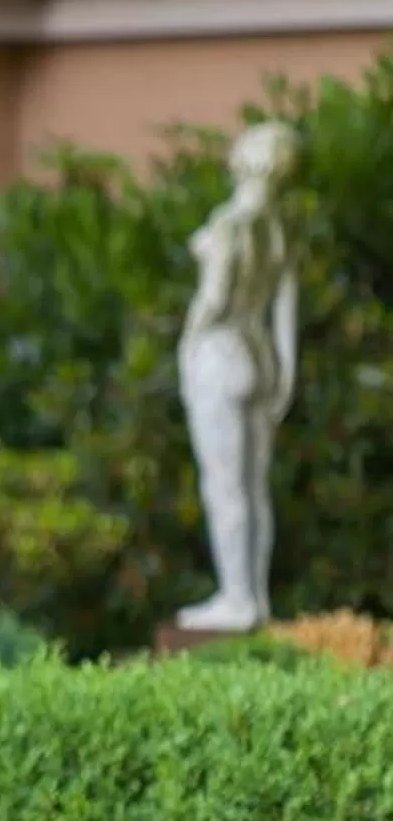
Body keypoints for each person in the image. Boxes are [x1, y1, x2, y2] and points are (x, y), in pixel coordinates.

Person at [175, 120, 301, 634]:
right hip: (261, 354)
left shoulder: (230, 223)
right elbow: (285, 312)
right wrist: (285, 375)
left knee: (225, 485)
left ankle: (237, 599)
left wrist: (187, 345)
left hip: (222, 352)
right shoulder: (277, 229)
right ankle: (254, 597)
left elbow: (214, 298)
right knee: (253, 487)